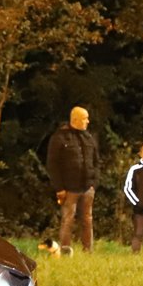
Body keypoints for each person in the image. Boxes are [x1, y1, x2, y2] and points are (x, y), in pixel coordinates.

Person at [45, 105, 99, 253]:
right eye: (84, 118)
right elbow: (53, 165)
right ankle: (65, 250)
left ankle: (88, 251)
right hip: (69, 189)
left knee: (87, 220)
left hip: (87, 188)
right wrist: (59, 188)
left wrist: (94, 184)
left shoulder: (89, 137)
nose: (88, 121)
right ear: (75, 119)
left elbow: (96, 161)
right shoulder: (59, 137)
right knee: (68, 220)